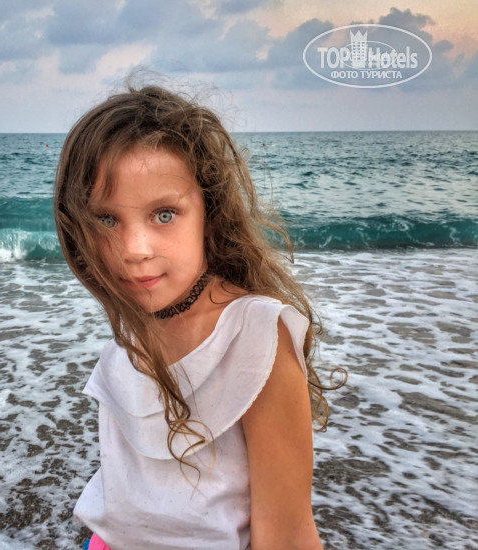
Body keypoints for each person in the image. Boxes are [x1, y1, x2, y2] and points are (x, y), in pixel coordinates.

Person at [54, 83, 340, 550]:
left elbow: (287, 536)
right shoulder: (135, 326)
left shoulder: (256, 337)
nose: (134, 250)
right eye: (106, 220)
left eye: (164, 214)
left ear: (211, 212)